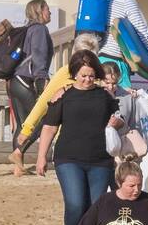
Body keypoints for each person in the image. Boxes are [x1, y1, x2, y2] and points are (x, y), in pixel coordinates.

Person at [36, 50, 122, 225]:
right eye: (83, 75)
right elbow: (49, 127)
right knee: (75, 204)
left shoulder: (105, 96)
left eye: (91, 75)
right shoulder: (63, 95)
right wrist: (41, 156)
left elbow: (119, 119)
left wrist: (119, 122)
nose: (87, 79)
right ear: (74, 73)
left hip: (100, 160)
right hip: (68, 158)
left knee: (95, 206)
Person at [10, 30, 102, 175]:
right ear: (74, 55)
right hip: (67, 144)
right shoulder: (64, 73)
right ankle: (18, 155)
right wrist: (27, 129)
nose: (86, 64)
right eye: (82, 58)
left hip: (95, 145)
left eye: (91, 58)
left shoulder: (97, 76)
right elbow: (43, 102)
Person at [8, 0, 53, 152]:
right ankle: (18, 153)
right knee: (41, 119)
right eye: (47, 9)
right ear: (39, 11)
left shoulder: (26, 29)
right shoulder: (39, 29)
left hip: (14, 81)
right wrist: (42, 79)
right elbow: (38, 55)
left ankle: (17, 166)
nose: (50, 12)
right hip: (26, 81)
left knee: (22, 124)